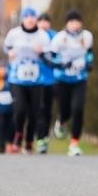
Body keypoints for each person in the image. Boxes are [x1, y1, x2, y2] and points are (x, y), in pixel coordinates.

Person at [3, 7, 52, 154]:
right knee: (20, 110)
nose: (30, 19)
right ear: (23, 19)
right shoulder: (14, 34)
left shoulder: (42, 36)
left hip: (36, 80)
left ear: (36, 19)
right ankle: (19, 133)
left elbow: (49, 57)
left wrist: (41, 52)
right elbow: (6, 47)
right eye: (27, 16)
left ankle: (29, 141)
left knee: (34, 113)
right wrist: (9, 52)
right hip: (17, 79)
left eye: (32, 16)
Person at [49, 10, 93, 157]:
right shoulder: (59, 39)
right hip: (62, 80)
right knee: (65, 110)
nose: (75, 25)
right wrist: (61, 64)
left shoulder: (86, 37)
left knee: (78, 109)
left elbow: (89, 52)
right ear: (67, 23)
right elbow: (52, 57)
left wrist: (89, 62)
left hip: (79, 79)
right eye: (72, 22)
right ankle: (61, 120)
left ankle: (74, 143)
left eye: (77, 21)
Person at [36, 13, 57, 141]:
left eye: (46, 21)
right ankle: (40, 137)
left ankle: (45, 136)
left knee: (48, 110)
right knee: (39, 110)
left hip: (52, 79)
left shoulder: (55, 37)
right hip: (36, 80)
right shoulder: (32, 37)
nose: (44, 24)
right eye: (41, 21)